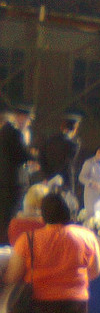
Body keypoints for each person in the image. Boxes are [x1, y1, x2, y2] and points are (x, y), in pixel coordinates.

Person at [1, 183, 50, 313]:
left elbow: (15, 248)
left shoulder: (15, 224)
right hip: (42, 275)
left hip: (20, 275)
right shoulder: (47, 224)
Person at [0, 105, 38, 245]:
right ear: (21, 117)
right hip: (14, 182)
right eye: (29, 119)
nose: (29, 123)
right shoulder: (14, 133)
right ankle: (7, 243)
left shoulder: (5, 131)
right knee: (11, 216)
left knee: (5, 215)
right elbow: (22, 154)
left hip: (6, 180)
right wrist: (34, 155)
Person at [39, 112, 81, 195]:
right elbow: (67, 163)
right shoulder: (74, 144)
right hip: (65, 181)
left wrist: (47, 175)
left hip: (48, 178)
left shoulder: (50, 140)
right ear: (75, 128)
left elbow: (41, 157)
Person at [78, 143, 100, 217]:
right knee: (92, 221)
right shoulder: (89, 163)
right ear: (98, 152)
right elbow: (81, 177)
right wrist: (91, 183)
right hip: (91, 197)